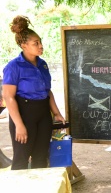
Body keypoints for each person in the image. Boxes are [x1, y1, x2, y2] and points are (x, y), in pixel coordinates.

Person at [2, 15, 65, 170]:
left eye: (40, 42)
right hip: (24, 114)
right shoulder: (14, 66)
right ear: (24, 45)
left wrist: (56, 113)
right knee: (21, 158)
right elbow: (8, 97)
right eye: (36, 43)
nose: (41, 46)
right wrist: (19, 125)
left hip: (43, 113)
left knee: (41, 156)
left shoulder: (42, 64)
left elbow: (47, 91)